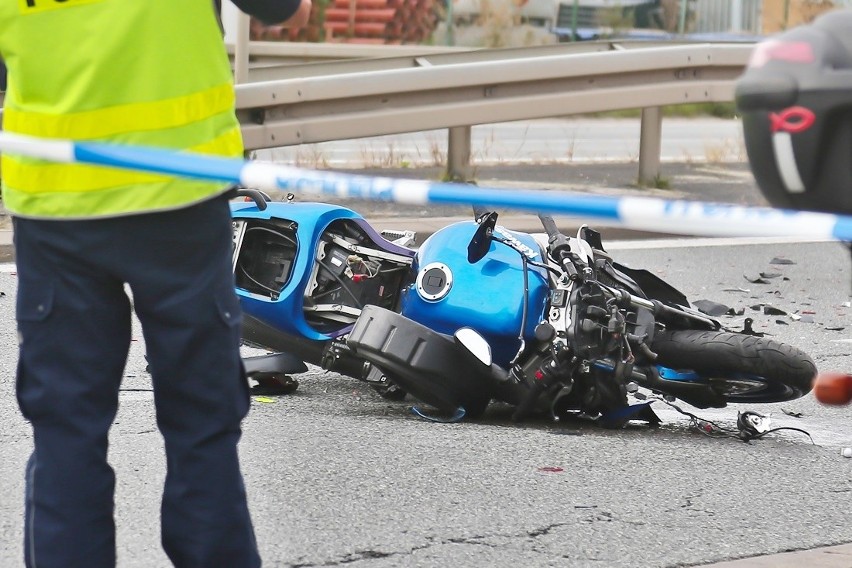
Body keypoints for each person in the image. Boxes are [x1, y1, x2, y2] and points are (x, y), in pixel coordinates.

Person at [0, 0, 310, 566]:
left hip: (55, 203)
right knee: (201, 422)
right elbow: (284, 9)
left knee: (66, 430)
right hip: (178, 196)